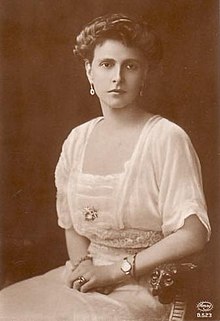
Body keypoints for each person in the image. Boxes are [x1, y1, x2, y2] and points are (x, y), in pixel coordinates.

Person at [0, 13, 211, 321]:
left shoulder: (167, 137)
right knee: (7, 306)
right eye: (107, 64)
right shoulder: (77, 139)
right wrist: (84, 268)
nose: (117, 77)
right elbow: (70, 222)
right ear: (89, 71)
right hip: (89, 276)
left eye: (131, 66)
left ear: (145, 74)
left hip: (144, 285)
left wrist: (116, 272)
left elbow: (194, 234)